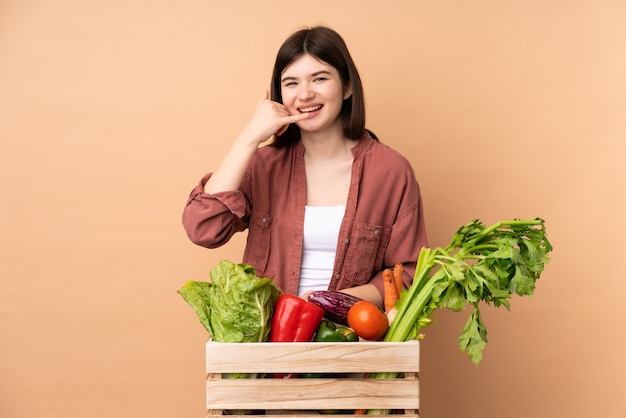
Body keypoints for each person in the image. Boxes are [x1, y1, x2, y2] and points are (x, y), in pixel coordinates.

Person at [182, 26, 427, 306]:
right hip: (270, 339)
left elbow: (407, 275)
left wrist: (329, 302)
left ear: (347, 86)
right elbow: (202, 227)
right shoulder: (263, 166)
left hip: (352, 339)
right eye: (291, 83)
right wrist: (249, 136)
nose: (305, 95)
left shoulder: (391, 171)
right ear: (280, 95)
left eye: (319, 79)